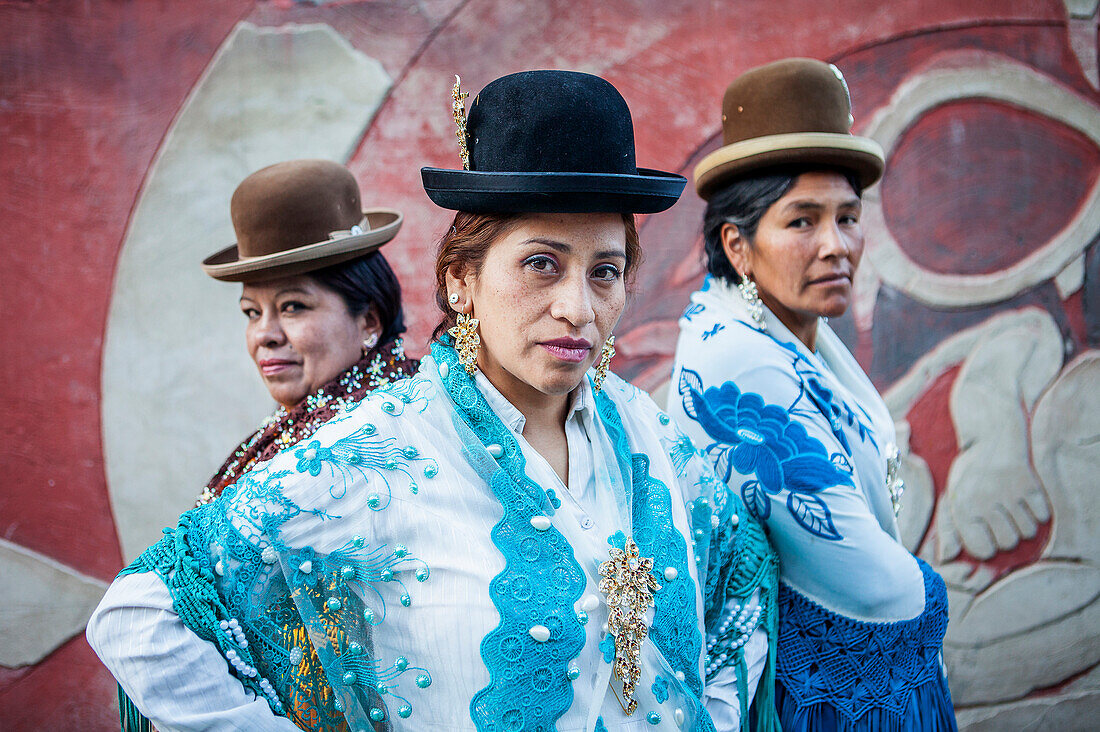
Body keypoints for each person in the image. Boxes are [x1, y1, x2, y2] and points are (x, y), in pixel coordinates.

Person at [87, 71, 779, 731]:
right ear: (460, 282)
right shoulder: (377, 457)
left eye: (606, 271)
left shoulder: (651, 438)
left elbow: (743, 580)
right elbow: (142, 618)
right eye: (541, 264)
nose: (578, 308)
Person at [668, 58, 956, 730]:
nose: (838, 246)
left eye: (848, 218)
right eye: (802, 222)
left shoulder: (786, 329)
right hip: (822, 698)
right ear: (738, 246)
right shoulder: (738, 359)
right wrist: (931, 594)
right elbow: (870, 583)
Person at [195, 159, 418, 504]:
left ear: (369, 321)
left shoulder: (364, 441)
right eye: (252, 312)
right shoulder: (309, 419)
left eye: (293, 306)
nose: (264, 335)